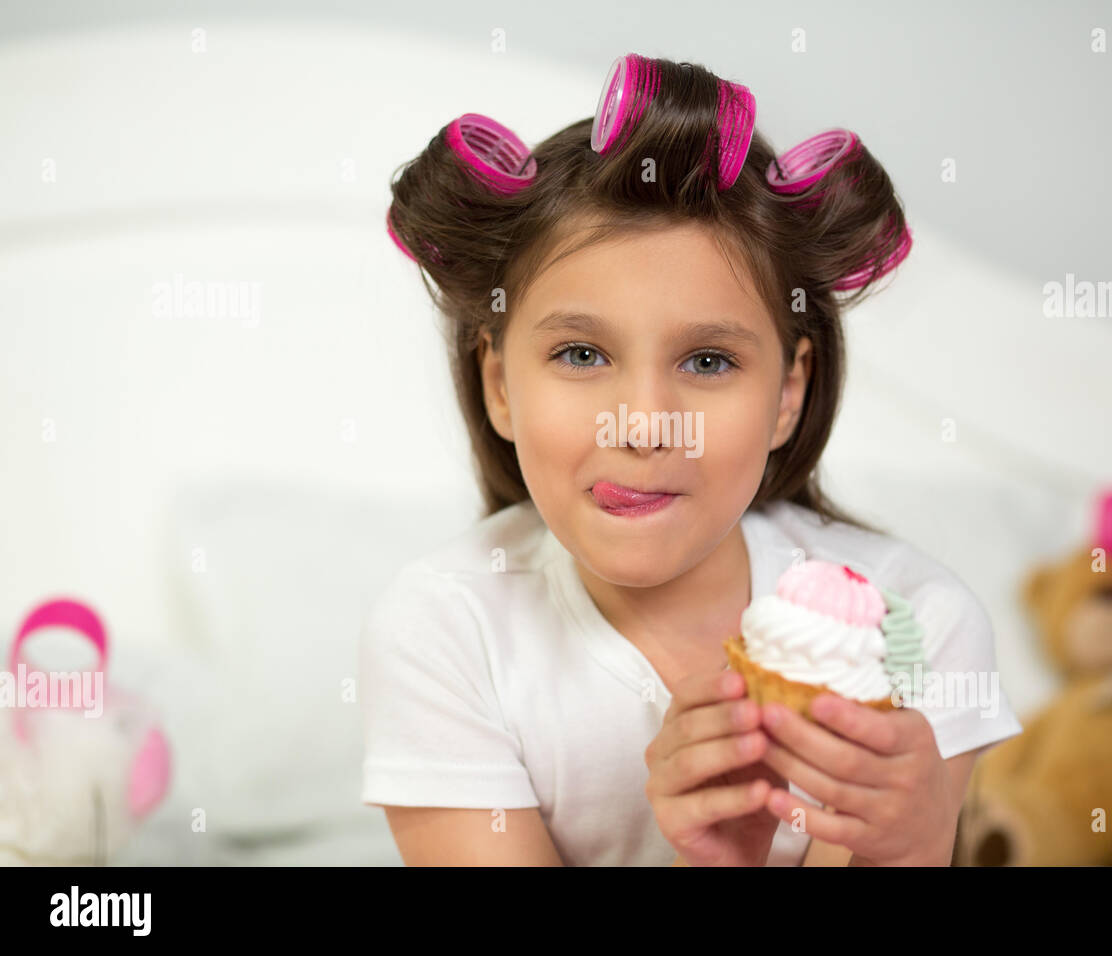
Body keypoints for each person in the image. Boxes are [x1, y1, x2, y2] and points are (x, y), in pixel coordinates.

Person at [361, 53, 1022, 866]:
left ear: (788, 392)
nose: (645, 428)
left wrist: (909, 841)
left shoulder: (914, 623)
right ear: (500, 384)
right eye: (579, 353)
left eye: (708, 362)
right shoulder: (446, 627)